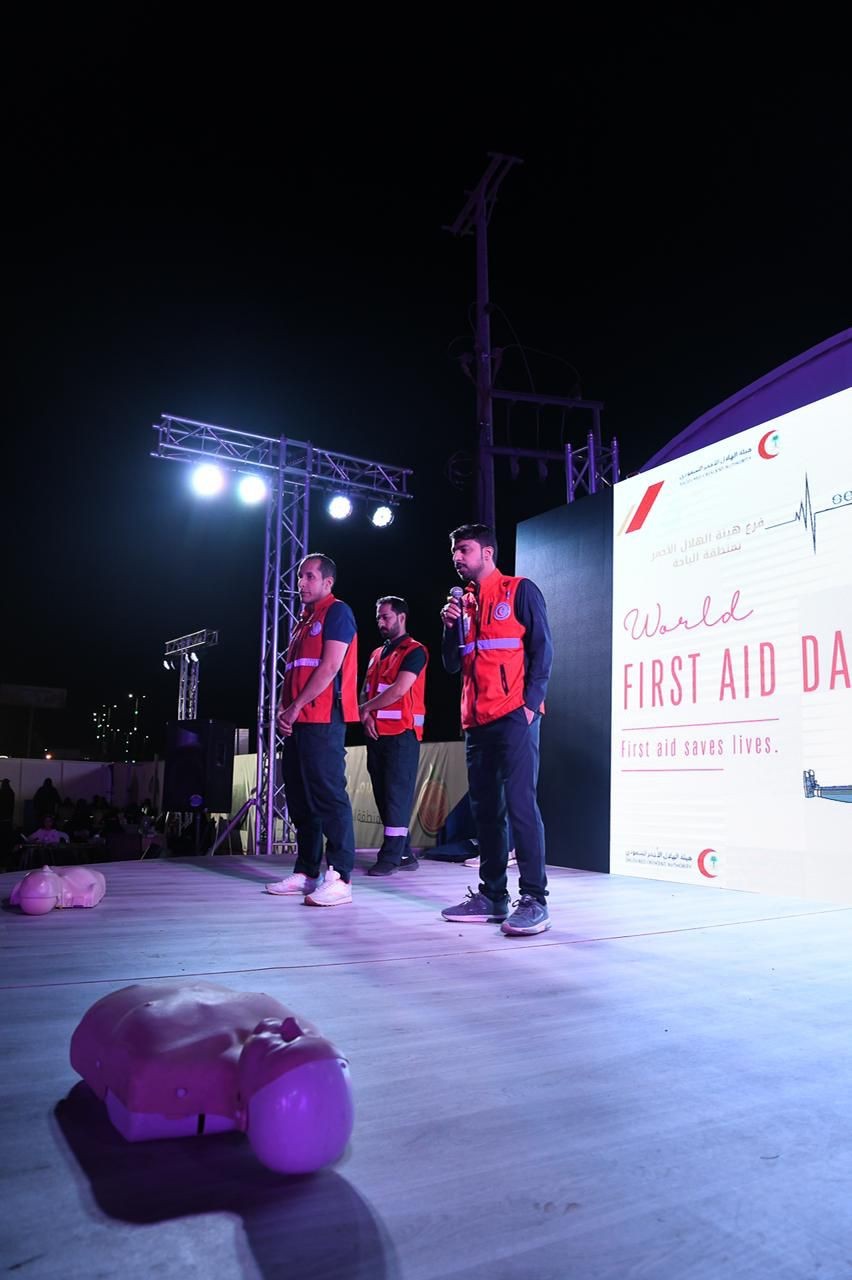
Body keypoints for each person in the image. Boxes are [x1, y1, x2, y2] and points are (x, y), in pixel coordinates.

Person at [439, 523, 554, 936]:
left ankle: (535, 899)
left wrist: (529, 706)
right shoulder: (463, 605)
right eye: (455, 551)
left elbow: (543, 649)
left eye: (464, 549)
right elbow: (452, 663)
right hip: (476, 721)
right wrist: (449, 629)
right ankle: (492, 896)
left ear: (487, 553)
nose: (457, 557)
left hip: (514, 716)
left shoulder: (519, 590)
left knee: (521, 805)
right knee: (486, 811)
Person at [266, 553, 358, 906]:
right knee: (300, 799)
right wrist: (283, 708)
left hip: (323, 719)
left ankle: (341, 877)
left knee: (329, 796)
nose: (301, 583)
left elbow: (330, 666)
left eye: (309, 576)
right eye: (300, 576)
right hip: (298, 722)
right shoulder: (303, 621)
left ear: (327, 582)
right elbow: (294, 671)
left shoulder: (337, 612)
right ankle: (307, 872)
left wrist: (295, 707)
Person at [359, 595, 428, 876]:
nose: (380, 622)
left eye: (385, 617)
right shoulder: (376, 654)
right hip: (376, 733)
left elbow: (399, 689)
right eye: (378, 617)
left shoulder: (415, 651)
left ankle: (390, 856)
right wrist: (365, 716)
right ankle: (405, 854)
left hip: (402, 734)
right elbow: (365, 689)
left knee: (396, 796)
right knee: (384, 796)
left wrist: (365, 709)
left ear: (401, 617)